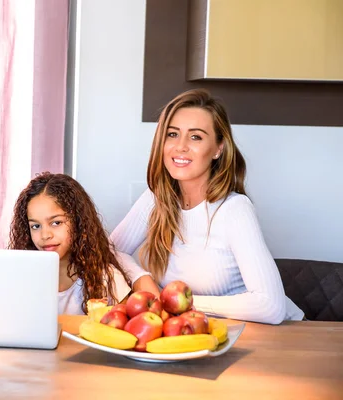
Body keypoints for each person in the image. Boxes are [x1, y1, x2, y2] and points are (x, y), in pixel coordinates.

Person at [110, 89, 304, 324]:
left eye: (196, 137)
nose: (180, 146)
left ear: (218, 149)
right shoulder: (156, 197)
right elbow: (108, 252)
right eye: (172, 134)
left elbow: (270, 307)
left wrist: (174, 302)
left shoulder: (234, 209)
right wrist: (141, 278)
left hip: (281, 338)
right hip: (202, 333)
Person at [8, 172, 157, 315]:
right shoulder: (21, 277)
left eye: (56, 223)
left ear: (78, 223)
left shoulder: (106, 278)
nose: (45, 235)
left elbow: (122, 330)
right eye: (36, 226)